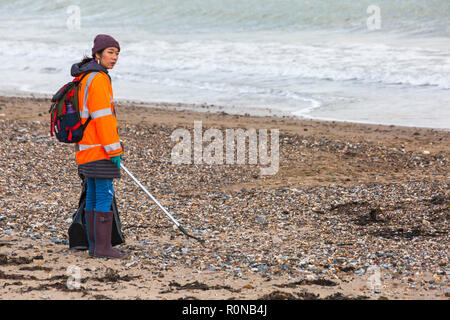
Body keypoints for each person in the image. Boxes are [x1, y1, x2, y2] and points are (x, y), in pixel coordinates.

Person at [71, 34, 126, 259]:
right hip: (99, 148)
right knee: (103, 192)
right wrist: (115, 151)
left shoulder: (85, 76)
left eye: (117, 53)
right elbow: (103, 118)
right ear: (97, 54)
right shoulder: (99, 79)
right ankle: (102, 248)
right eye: (110, 52)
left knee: (93, 193)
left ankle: (96, 247)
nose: (114, 57)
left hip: (85, 147)